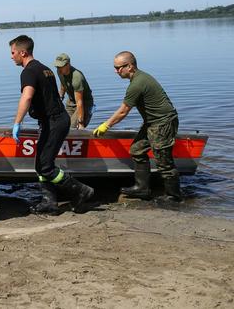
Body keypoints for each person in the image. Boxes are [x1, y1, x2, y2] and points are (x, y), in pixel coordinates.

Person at [10, 35, 94, 214]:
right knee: (41, 165)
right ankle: (49, 202)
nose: (11, 56)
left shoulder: (29, 71)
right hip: (55, 120)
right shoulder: (45, 69)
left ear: (22, 52)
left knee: (46, 167)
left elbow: (27, 96)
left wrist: (17, 122)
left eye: (13, 52)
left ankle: (80, 190)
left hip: (54, 122)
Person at [93, 51, 182, 202]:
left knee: (164, 162)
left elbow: (123, 112)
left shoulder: (137, 84)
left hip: (163, 123)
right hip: (152, 123)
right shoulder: (138, 79)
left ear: (130, 66)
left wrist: (105, 125)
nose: (116, 71)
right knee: (137, 150)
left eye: (118, 67)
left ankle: (174, 197)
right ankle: (142, 189)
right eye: (115, 67)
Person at [54, 53, 94, 129]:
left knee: (71, 128)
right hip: (71, 102)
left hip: (84, 103)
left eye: (61, 66)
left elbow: (80, 102)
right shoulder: (60, 72)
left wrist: (81, 122)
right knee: (62, 125)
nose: (59, 69)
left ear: (68, 64)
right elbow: (63, 83)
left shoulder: (77, 77)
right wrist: (61, 96)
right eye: (57, 66)